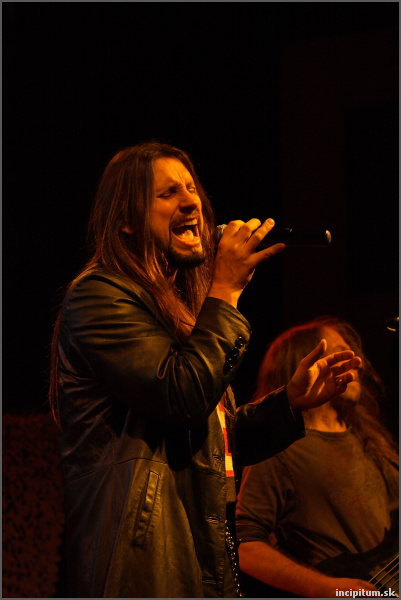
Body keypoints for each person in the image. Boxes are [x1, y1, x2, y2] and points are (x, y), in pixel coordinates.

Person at [49, 142, 365, 598]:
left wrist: (289, 405)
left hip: (199, 554)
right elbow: (181, 394)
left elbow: (212, 443)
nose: (191, 202)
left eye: (192, 189)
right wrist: (226, 292)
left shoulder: (180, 311)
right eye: (168, 193)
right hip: (145, 567)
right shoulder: (98, 296)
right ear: (127, 220)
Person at [236, 316, 399, 598]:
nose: (357, 364)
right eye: (341, 354)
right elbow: (244, 545)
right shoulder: (279, 448)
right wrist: (327, 588)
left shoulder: (367, 437)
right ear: (307, 365)